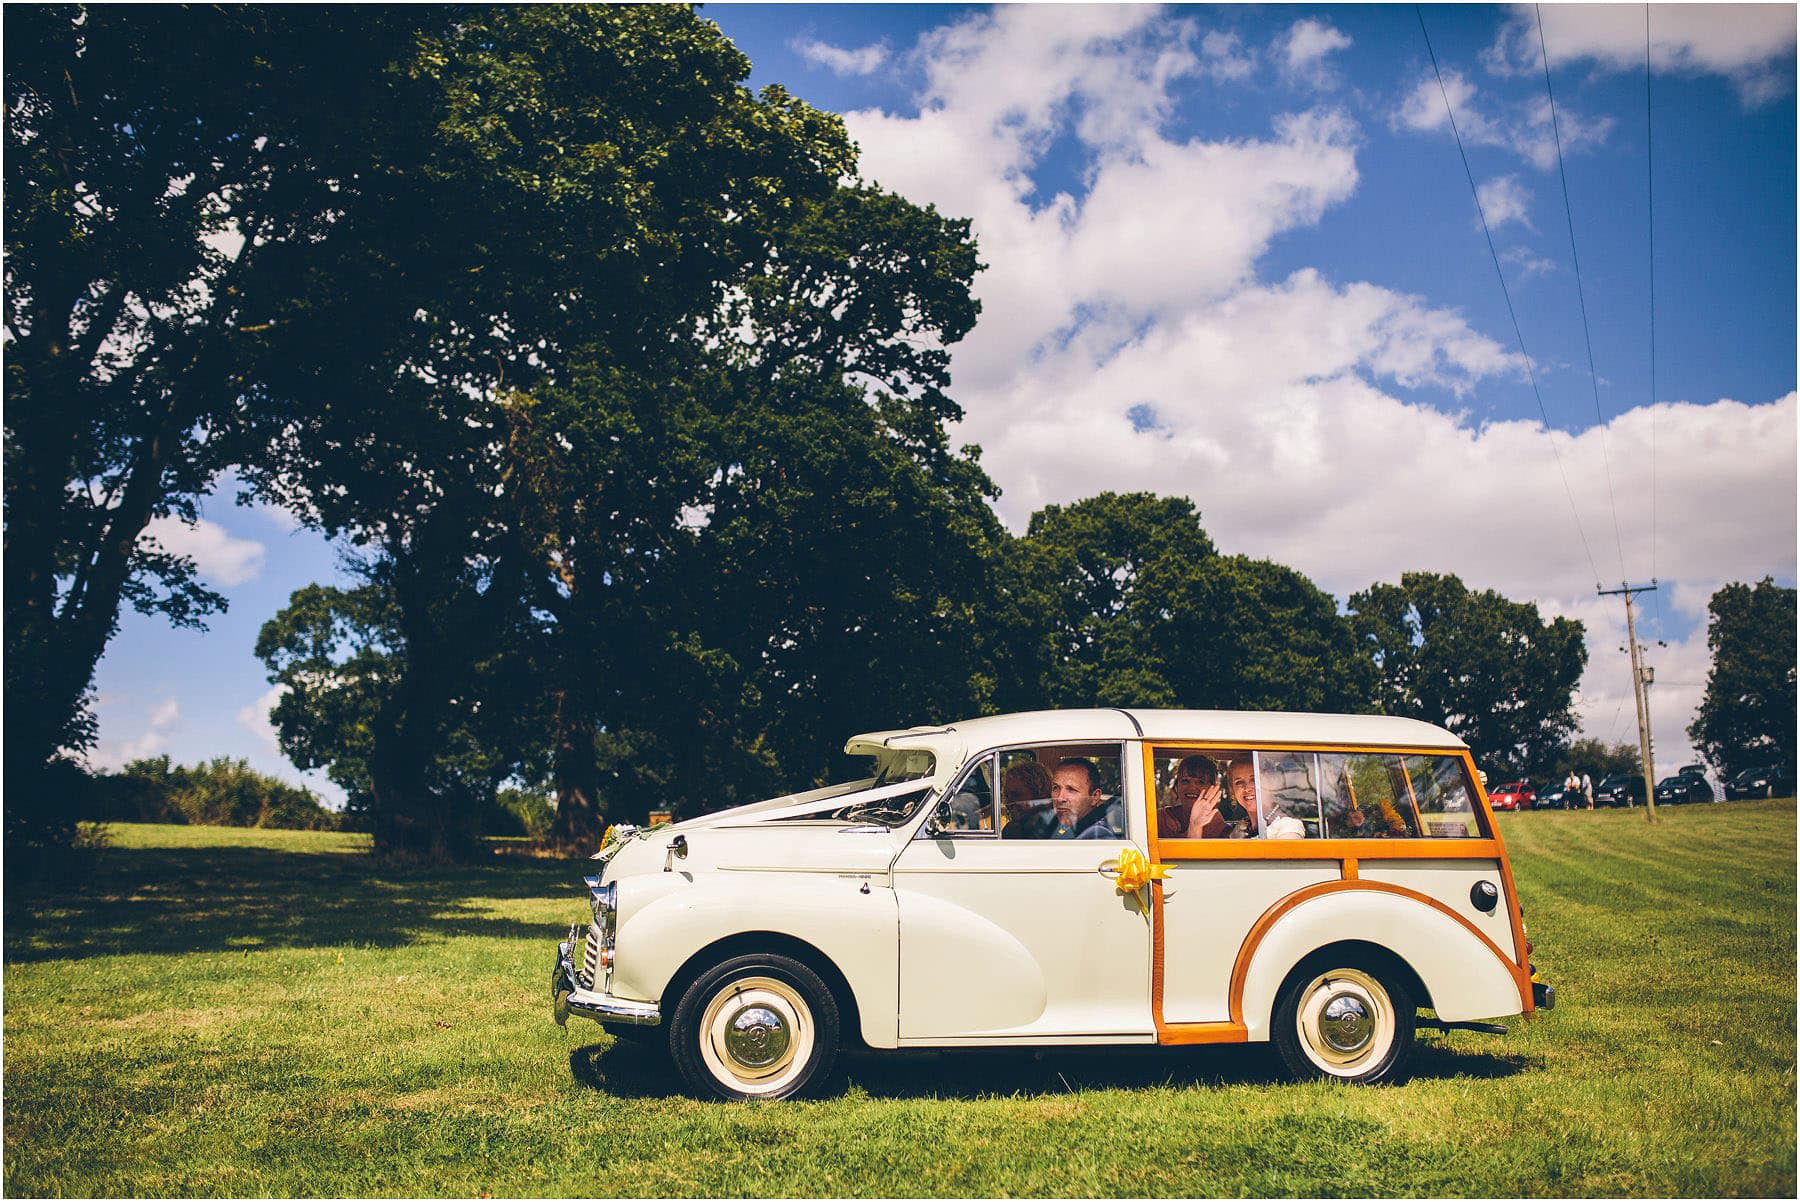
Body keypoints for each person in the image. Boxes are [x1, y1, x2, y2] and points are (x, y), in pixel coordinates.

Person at [1050, 758, 1125, 839]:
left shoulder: (1096, 834)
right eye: (1055, 788)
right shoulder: (1067, 827)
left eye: (1071, 789)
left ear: (1094, 797)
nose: (1060, 798)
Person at [1158, 754, 1227, 838]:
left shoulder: (1215, 821)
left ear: (1211, 788)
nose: (1191, 787)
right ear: (1176, 786)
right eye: (1185, 781)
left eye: (1200, 782)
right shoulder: (1159, 818)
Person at [1000, 762, 1059, 840]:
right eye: (1007, 796)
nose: (1008, 802)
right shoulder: (1012, 829)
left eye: (1016, 795)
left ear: (1040, 793)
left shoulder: (1062, 828)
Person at [1222, 756, 1264, 838]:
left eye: (1253, 780)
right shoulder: (1238, 831)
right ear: (1232, 790)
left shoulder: (1285, 827)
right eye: (1239, 782)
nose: (1247, 788)